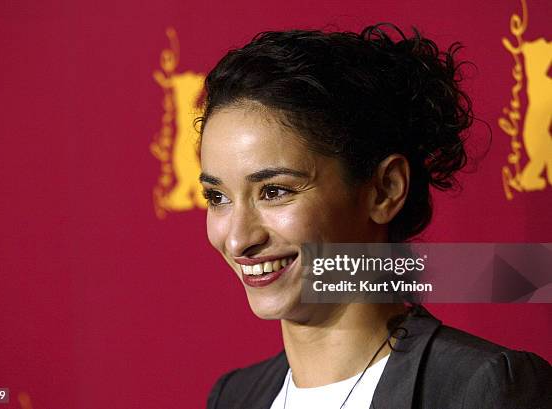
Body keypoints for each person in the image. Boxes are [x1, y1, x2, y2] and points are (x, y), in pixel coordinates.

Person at [196, 23, 551, 409]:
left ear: (385, 190)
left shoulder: (480, 387)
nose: (237, 240)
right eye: (218, 197)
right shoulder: (233, 397)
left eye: (275, 191)